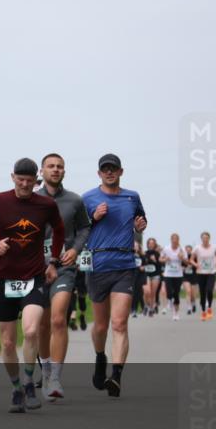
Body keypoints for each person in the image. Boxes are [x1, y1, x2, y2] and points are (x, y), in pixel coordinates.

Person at [0, 158, 64, 413]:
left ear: (36, 181)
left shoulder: (45, 204)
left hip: (34, 277)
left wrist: (53, 261)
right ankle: (15, 388)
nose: (24, 185)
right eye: (20, 179)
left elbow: (59, 230)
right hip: (5, 278)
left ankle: (29, 384)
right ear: (12, 177)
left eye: (29, 181)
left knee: (32, 331)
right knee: (7, 342)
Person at [82, 153, 147, 398]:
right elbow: (79, 228)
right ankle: (100, 357)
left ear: (121, 172)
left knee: (119, 323)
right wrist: (93, 217)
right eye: (105, 169)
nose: (109, 172)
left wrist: (140, 227)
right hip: (97, 264)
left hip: (124, 264)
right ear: (99, 173)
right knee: (100, 326)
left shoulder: (132, 197)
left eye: (113, 169)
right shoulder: (88, 198)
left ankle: (116, 377)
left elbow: (140, 221)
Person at [35, 153, 91, 401]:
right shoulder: (31, 199)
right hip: (35, 269)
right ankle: (45, 369)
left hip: (64, 268)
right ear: (42, 170)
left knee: (59, 320)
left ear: (64, 171)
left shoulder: (74, 200)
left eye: (59, 167)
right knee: (42, 325)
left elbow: (85, 228)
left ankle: (56, 376)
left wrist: (74, 249)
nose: (55, 170)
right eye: (51, 166)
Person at [192, 232, 216, 321]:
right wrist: (196, 264)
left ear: (209, 238)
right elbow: (191, 259)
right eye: (203, 238)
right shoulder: (197, 248)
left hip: (211, 272)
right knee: (202, 292)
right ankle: (203, 311)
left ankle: (209, 308)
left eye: (207, 238)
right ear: (201, 239)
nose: (205, 239)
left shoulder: (214, 247)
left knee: (209, 290)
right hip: (201, 273)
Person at [161, 234, 186, 321]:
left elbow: (186, 260)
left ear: (178, 240)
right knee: (168, 291)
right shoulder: (166, 248)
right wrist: (165, 259)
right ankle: (169, 300)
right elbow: (160, 259)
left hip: (178, 274)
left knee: (176, 293)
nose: (175, 241)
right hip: (168, 274)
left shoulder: (181, 249)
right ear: (171, 240)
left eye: (176, 239)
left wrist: (181, 257)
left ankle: (176, 313)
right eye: (173, 239)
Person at [143, 238, 163, 315]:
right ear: (147, 244)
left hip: (155, 275)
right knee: (147, 291)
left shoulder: (158, 254)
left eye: (152, 243)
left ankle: (151, 308)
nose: (151, 245)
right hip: (147, 274)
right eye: (149, 243)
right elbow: (142, 263)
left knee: (153, 293)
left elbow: (160, 265)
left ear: (154, 245)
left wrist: (155, 260)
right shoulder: (145, 253)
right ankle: (146, 305)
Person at [183, 244, 199, 314]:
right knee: (188, 292)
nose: (188, 251)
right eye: (187, 250)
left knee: (193, 294)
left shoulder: (195, 258)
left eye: (189, 250)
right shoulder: (183, 258)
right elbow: (179, 266)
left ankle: (193, 303)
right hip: (185, 277)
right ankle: (189, 307)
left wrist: (193, 265)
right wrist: (184, 268)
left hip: (194, 277)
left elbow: (198, 265)